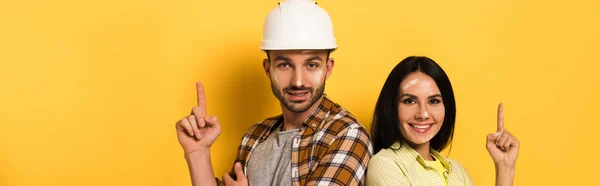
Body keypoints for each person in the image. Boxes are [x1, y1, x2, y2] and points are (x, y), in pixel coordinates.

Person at [175, 0, 373, 185]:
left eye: (311, 65)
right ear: (268, 68)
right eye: (284, 65)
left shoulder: (346, 135)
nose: (298, 81)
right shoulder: (254, 137)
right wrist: (198, 153)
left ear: (328, 69)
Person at [366, 56, 520, 186]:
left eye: (433, 101)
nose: (423, 114)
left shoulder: (457, 171)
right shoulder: (385, 165)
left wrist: (505, 167)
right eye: (409, 101)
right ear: (392, 106)